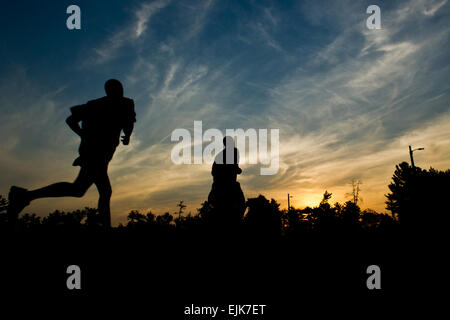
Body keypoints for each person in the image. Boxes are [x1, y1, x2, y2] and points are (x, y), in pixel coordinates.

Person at [7, 79, 136, 228]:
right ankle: (106, 227)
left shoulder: (126, 104)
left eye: (119, 89)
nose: (118, 92)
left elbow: (128, 123)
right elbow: (70, 120)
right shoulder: (95, 105)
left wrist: (127, 136)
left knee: (78, 189)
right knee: (105, 191)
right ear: (108, 91)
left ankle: (25, 196)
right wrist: (83, 134)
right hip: (93, 153)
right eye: (114, 89)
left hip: (104, 154)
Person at [208, 136, 246, 227]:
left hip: (222, 184)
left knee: (240, 203)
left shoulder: (224, 154)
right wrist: (235, 169)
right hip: (226, 184)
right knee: (241, 203)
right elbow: (215, 171)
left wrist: (235, 169)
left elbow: (214, 171)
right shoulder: (233, 152)